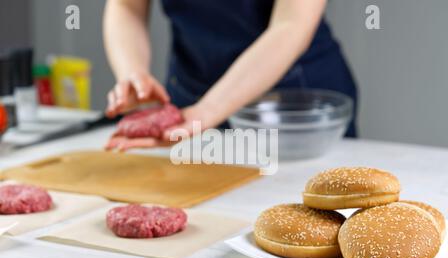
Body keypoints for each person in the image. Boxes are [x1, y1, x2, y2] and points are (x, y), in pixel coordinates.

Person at [104, 0, 357, 151]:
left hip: (294, 109)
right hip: (190, 96)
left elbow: (291, 25)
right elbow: (126, 6)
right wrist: (132, 73)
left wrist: (207, 112)